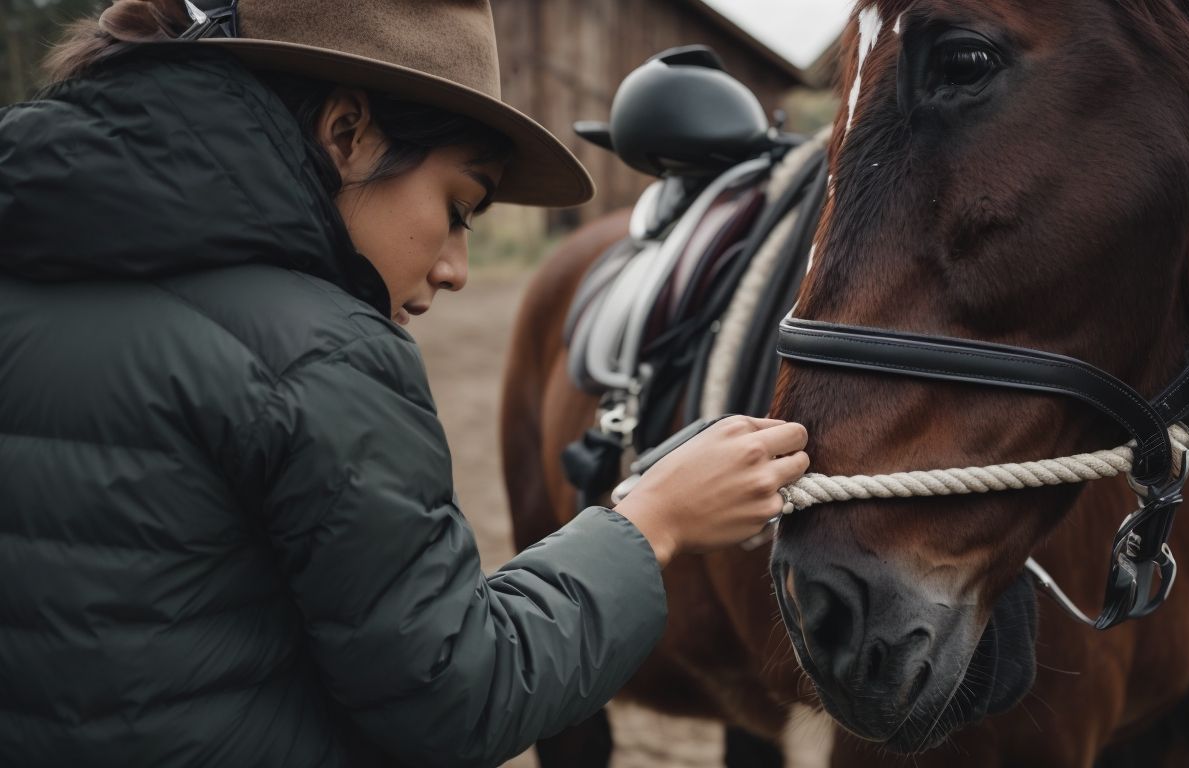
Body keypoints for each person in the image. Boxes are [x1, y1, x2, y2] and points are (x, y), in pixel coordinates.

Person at [0, 1, 809, 766]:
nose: (456, 267)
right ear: (347, 133)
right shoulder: (323, 354)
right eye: (460, 206)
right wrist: (651, 520)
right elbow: (454, 695)